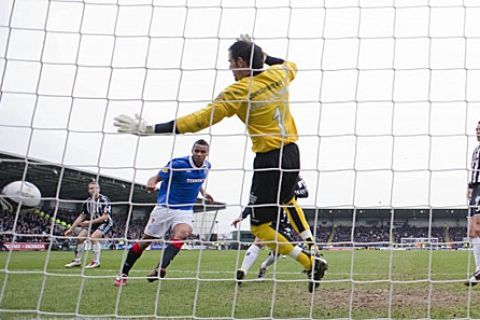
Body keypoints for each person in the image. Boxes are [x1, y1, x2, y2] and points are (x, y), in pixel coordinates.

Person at [113, 34, 327, 292]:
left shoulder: (237, 91)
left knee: (260, 227)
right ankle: (315, 249)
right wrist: (262, 57)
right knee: (288, 201)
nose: (229, 68)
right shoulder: (279, 75)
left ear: (239, 61)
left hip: (269, 159)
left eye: (230, 62)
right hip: (293, 153)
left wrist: (150, 129)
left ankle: (309, 262)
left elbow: (198, 121)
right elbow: (291, 64)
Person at [114, 139, 214, 287]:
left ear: (207, 153)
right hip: (165, 208)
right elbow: (157, 176)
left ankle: (160, 268)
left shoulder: (207, 166)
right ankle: (123, 273)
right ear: (192, 151)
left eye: (203, 152)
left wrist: (204, 193)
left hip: (185, 210)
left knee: (184, 233)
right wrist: (152, 182)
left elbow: (197, 181)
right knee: (144, 242)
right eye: (196, 151)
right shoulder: (177, 164)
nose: (199, 154)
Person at [233, 176, 311, 282]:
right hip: (269, 216)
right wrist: (242, 216)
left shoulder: (294, 177)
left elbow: (305, 193)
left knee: (277, 250)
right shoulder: (267, 177)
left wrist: (287, 191)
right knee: (259, 241)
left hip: (285, 218)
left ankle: (263, 266)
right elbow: (253, 201)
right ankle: (243, 270)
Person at [64, 181, 113, 269]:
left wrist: (88, 223)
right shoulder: (87, 202)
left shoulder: (104, 200)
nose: (92, 190)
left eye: (94, 188)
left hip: (105, 222)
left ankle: (96, 262)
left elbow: (105, 217)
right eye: (90, 188)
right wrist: (71, 229)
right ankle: (77, 261)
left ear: (99, 189)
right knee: (79, 238)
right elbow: (82, 216)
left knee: (94, 237)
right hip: (93, 223)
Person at [466, 121, 480, 286]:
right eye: (476, 128)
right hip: (475, 189)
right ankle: (478, 270)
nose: (477, 131)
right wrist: (469, 187)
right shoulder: (476, 150)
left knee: (476, 225)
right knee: (473, 230)